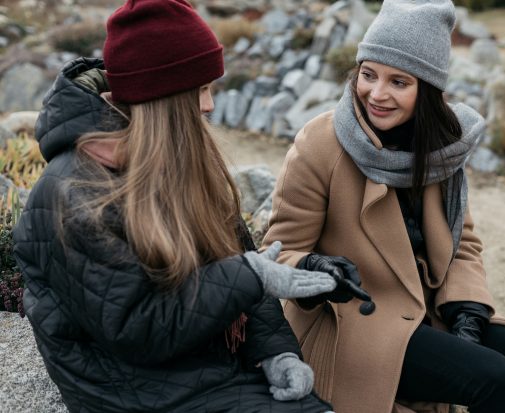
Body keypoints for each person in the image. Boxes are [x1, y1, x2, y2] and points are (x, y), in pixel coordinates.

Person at [262, 1, 505, 412]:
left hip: (427, 313)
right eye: (368, 75)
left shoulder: (442, 149)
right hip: (352, 325)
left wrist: (468, 308)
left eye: (399, 82)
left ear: (427, 88)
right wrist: (316, 271)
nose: (377, 93)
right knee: (494, 380)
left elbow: (463, 245)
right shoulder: (320, 144)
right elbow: (277, 254)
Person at [12, 1, 338, 412]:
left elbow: (240, 261)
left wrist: (275, 352)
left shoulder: (179, 159)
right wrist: (248, 276)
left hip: (209, 366)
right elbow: (136, 329)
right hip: (136, 391)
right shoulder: (73, 192)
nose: (210, 106)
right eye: (200, 90)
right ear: (163, 96)